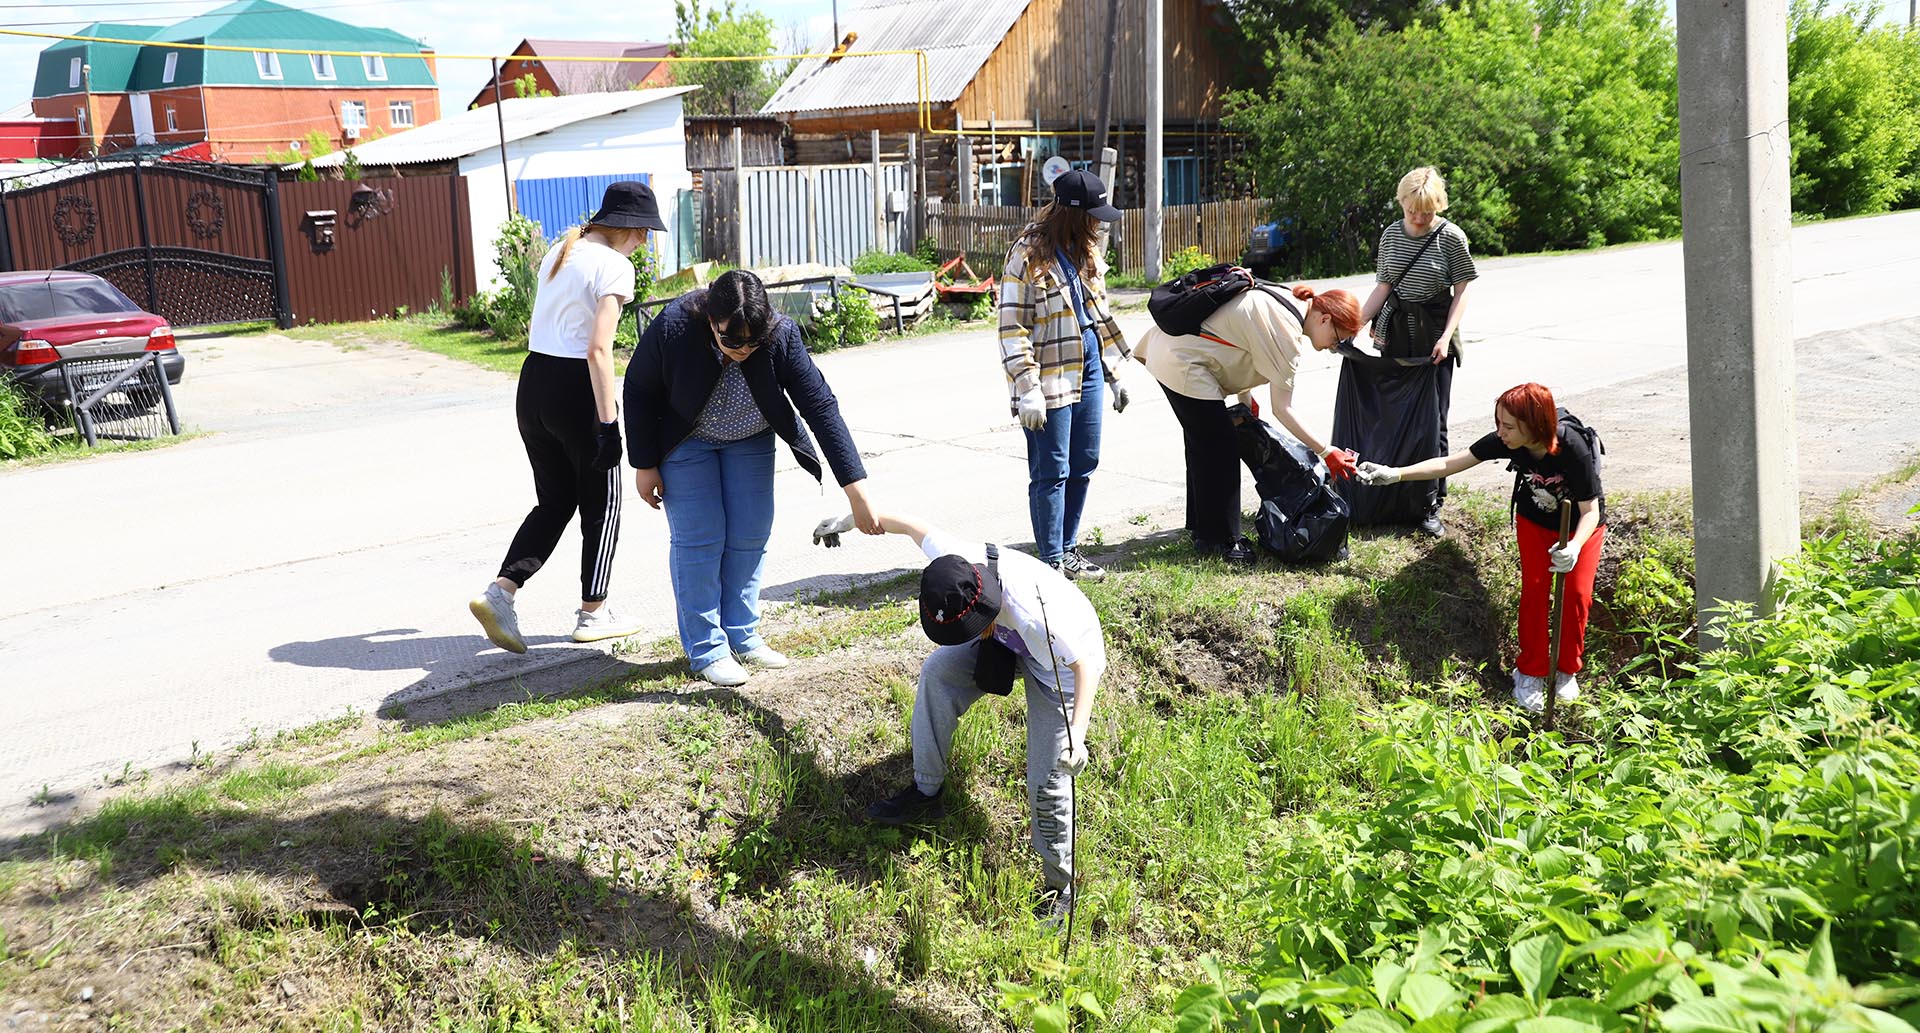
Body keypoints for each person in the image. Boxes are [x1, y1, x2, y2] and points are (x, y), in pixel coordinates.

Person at [814, 508, 1103, 925]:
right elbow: (908, 523)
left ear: (984, 610)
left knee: (1048, 778)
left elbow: (1085, 667)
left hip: (1060, 665)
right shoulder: (954, 563)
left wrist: (1078, 733)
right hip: (1008, 639)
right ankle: (926, 790)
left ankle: (1061, 886)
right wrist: (847, 521)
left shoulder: (1036, 615)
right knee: (937, 672)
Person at [623, 269, 882, 687]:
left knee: (750, 533)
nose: (743, 349)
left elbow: (820, 407)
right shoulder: (674, 326)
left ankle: (742, 635)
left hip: (750, 438)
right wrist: (644, 462)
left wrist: (857, 491)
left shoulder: (781, 335)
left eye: (753, 341)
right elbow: (637, 388)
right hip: (685, 440)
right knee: (701, 538)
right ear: (711, 319)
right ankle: (707, 648)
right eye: (731, 340)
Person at [469, 181, 663, 654]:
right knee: (603, 501)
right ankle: (594, 613)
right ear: (628, 228)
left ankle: (501, 593)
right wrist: (609, 425)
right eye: (643, 233)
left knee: (554, 501)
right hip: (575, 388)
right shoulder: (615, 265)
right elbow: (599, 350)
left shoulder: (561, 250)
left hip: (533, 383)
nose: (644, 243)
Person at [1355, 383, 1604, 712]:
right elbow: (1450, 464)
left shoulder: (1573, 446)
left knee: (1576, 595)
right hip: (1535, 521)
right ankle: (1530, 671)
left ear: (1536, 425)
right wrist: (1395, 474)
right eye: (1498, 423)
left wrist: (1572, 547)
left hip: (1580, 528)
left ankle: (1566, 670)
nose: (1500, 432)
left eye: (1509, 426)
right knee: (1535, 588)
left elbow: (1591, 511)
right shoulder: (1508, 442)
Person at [1133, 277, 1365, 563]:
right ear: (1324, 319)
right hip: (1182, 361)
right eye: (1337, 338)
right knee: (1220, 448)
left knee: (1204, 443)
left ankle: (1202, 528)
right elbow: (1283, 409)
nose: (1333, 346)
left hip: (1173, 349)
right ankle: (1223, 542)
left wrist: (1245, 398)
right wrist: (1327, 452)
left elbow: (1238, 335)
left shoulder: (1287, 298)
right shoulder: (1286, 332)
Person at [999, 169, 1132, 582]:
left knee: (1085, 460)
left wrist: (1114, 371)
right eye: (1093, 215)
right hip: (1049, 371)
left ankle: (1070, 550)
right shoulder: (1027, 255)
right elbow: (1012, 327)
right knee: (1051, 469)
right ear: (1072, 214)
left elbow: (1099, 313)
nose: (1098, 223)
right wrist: (1027, 387)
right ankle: (1052, 561)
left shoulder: (1085, 251)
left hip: (1089, 358)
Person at [1354, 166, 1479, 536]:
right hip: (1397, 332)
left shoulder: (1452, 237)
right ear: (1402, 203)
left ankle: (1430, 502)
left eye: (1427, 211)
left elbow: (1463, 291)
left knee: (1432, 420)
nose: (1420, 218)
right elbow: (1383, 287)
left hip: (1435, 333)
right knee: (1393, 412)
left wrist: (1445, 337)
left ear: (1438, 204)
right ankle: (1394, 490)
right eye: (1413, 210)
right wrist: (1355, 324)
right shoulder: (1391, 236)